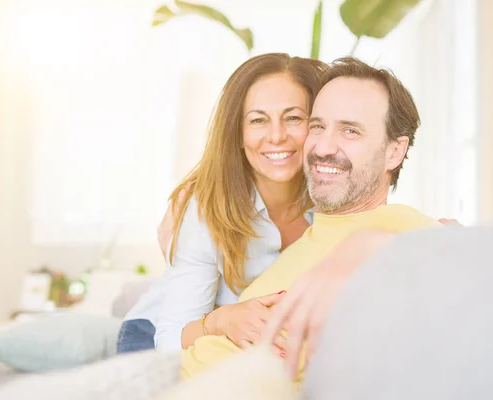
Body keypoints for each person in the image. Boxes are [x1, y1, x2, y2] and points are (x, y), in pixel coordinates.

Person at [177, 57, 445, 381]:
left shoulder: (399, 227)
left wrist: (379, 241)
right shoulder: (306, 239)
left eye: (350, 130)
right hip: (175, 374)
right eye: (317, 126)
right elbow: (184, 335)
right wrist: (219, 321)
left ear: (394, 151)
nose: (323, 146)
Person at [117, 53, 329, 353]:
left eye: (293, 118)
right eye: (258, 120)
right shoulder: (206, 209)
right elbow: (169, 339)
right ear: (238, 134)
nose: (277, 136)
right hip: (156, 334)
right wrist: (221, 320)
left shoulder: (333, 201)